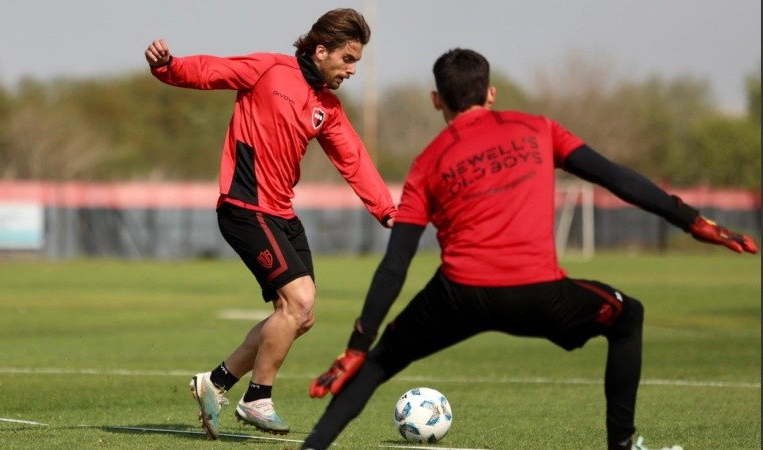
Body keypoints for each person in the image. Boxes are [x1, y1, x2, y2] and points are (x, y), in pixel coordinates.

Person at [301, 48, 757, 450]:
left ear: (437, 100)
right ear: (491, 94)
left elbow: (395, 263)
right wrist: (690, 220)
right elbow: (615, 177)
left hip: (459, 296)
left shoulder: (427, 163)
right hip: (540, 294)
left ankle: (312, 447)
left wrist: (358, 345)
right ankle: (621, 444)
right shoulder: (538, 129)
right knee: (628, 316)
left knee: (380, 361)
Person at [144, 8, 396, 439]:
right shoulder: (269, 69)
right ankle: (257, 398)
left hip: (281, 213)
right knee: (296, 301)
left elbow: (353, 158)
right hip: (244, 207)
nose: (353, 69)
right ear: (321, 51)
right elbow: (210, 71)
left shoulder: (327, 108)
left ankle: (216, 382)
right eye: (348, 59)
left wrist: (387, 209)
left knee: (302, 314)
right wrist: (168, 67)